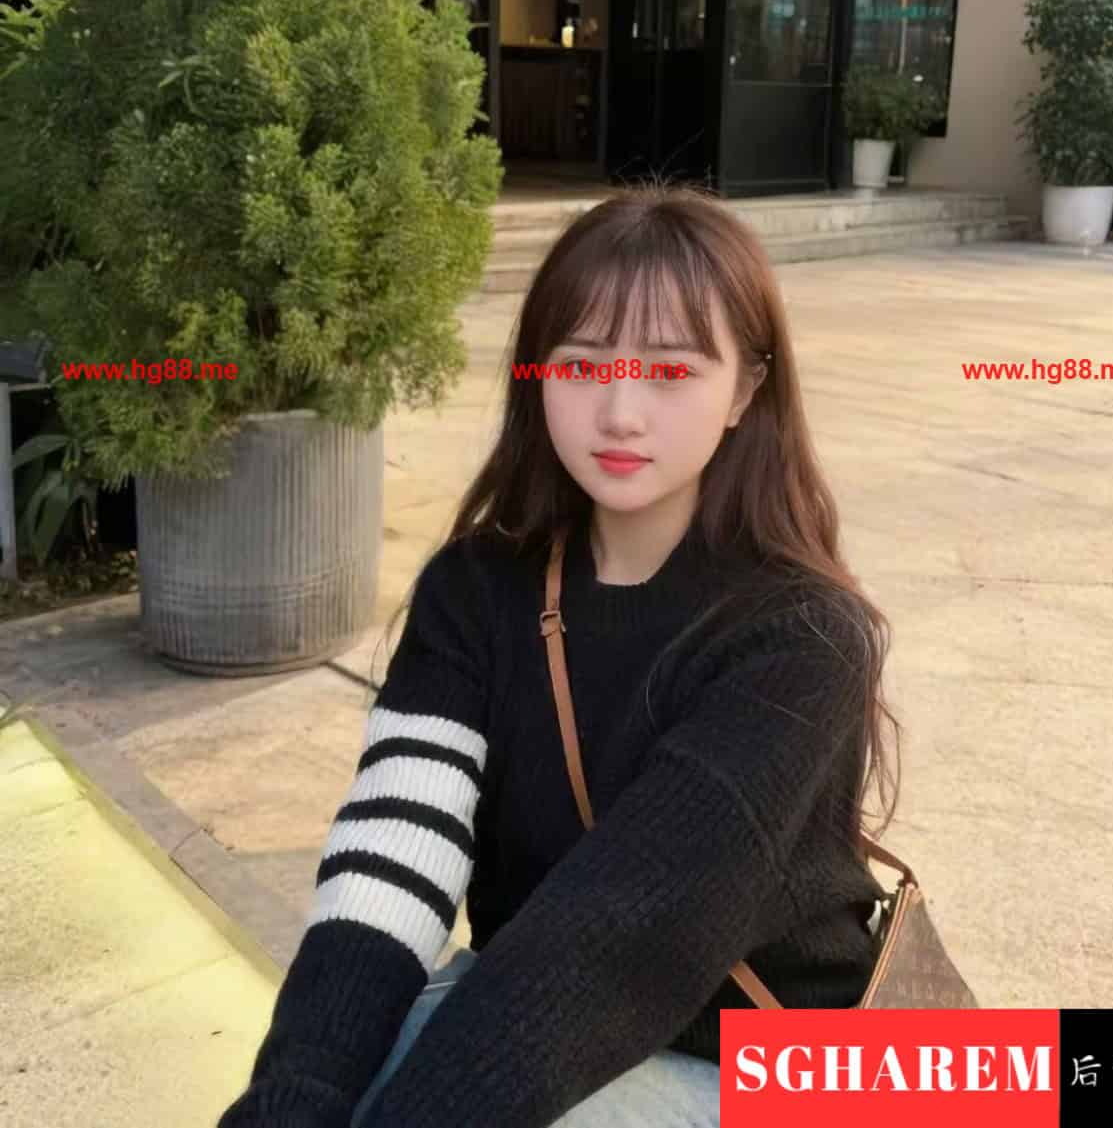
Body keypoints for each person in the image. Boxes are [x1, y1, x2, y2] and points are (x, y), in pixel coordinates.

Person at [218, 182, 900, 1128]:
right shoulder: (476, 591)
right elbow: (392, 860)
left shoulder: (801, 638)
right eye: (580, 365)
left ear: (746, 388)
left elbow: (618, 933)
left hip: (770, 1063)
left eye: (670, 370)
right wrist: (293, 1098)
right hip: (545, 1008)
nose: (619, 411)